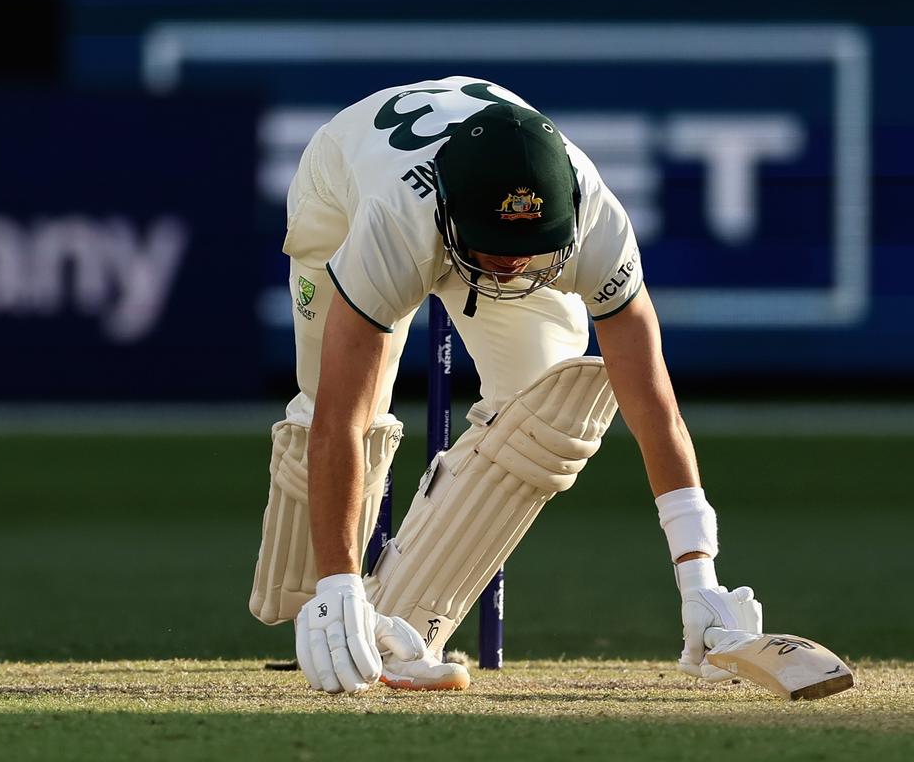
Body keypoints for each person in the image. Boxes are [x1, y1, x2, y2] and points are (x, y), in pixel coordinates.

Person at [248, 76, 762, 694]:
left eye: (530, 248)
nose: (512, 267)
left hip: (464, 220)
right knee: (331, 405)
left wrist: (699, 579)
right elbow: (342, 420)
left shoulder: (597, 220)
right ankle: (327, 604)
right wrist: (336, 583)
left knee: (547, 413)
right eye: (497, 253)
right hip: (343, 191)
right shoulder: (395, 222)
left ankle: (403, 622)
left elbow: (656, 410)